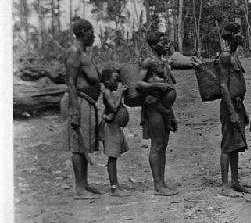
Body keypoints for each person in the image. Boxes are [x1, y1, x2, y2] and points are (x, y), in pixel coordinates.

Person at [136, 31, 179, 196]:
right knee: (157, 144)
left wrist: (172, 115)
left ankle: (162, 182)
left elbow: (170, 89)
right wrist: (156, 87)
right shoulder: (149, 62)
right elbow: (138, 83)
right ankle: (158, 185)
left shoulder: (166, 63)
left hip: (166, 109)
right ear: (154, 45)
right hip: (154, 107)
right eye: (163, 42)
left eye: (168, 42)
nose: (167, 45)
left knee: (164, 146)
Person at [65, 18, 102, 199]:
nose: (94, 36)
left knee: (84, 143)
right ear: (83, 33)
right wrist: (74, 111)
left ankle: (85, 184)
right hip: (78, 102)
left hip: (87, 102)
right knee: (78, 145)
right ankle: (79, 188)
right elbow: (70, 82)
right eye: (92, 32)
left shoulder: (84, 52)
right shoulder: (74, 52)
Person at [218, 22, 251, 197]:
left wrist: (241, 109)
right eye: (239, 33)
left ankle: (235, 181)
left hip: (237, 105)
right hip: (229, 106)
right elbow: (223, 85)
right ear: (232, 35)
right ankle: (225, 186)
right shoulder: (225, 56)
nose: (243, 36)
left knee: (235, 145)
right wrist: (231, 111)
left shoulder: (234, 56)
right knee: (227, 145)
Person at [100, 68, 130, 197]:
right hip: (110, 128)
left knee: (115, 156)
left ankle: (116, 184)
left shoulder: (111, 91)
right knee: (112, 157)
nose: (117, 82)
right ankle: (113, 187)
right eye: (115, 80)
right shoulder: (107, 92)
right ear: (106, 81)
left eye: (118, 79)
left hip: (115, 127)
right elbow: (114, 107)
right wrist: (120, 93)